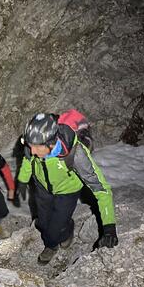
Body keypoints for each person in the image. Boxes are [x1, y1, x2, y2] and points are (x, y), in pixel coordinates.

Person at [17, 113, 117, 265]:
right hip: (42, 188)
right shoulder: (34, 144)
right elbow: (28, 160)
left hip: (67, 192)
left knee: (53, 231)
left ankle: (53, 243)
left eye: (37, 148)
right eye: (31, 146)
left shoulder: (76, 155)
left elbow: (101, 189)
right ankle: (62, 229)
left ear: (51, 143)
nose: (33, 151)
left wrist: (109, 227)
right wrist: (22, 181)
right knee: (42, 224)